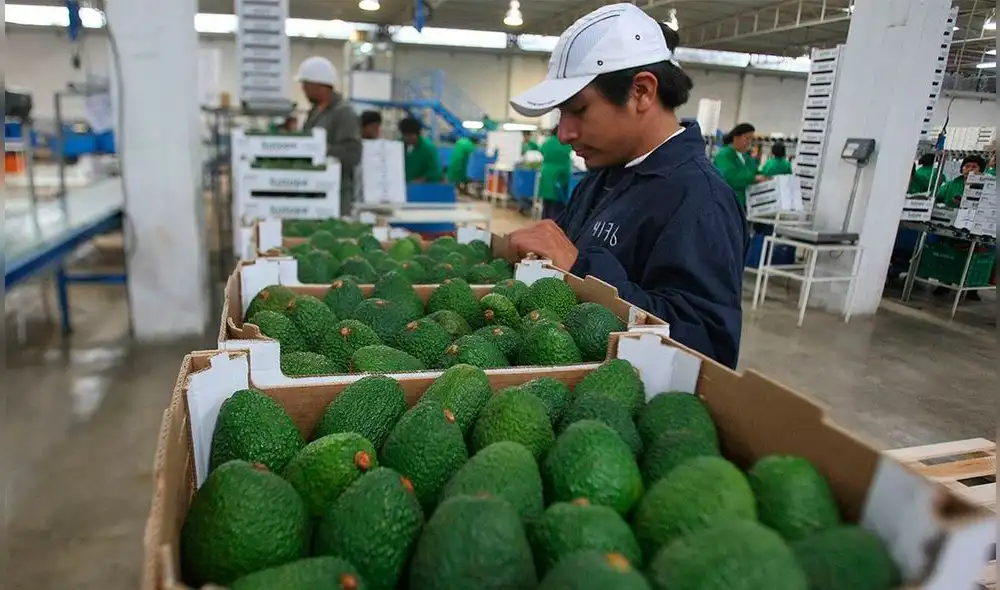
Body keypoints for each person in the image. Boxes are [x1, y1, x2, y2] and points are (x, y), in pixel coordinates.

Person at [506, 3, 747, 369]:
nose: (564, 133)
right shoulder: (600, 178)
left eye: (579, 110)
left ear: (642, 92)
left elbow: (707, 351)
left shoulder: (699, 200)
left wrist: (581, 266)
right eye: (561, 115)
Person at [296, 56, 362, 217]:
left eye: (306, 85)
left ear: (320, 86)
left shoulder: (343, 113)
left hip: (335, 198)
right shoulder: (315, 112)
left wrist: (322, 150)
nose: (303, 89)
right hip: (313, 193)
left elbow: (353, 154)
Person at [713, 123, 766, 206]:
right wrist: (753, 178)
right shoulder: (724, 155)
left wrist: (764, 177)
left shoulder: (746, 157)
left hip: (744, 204)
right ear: (736, 137)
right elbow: (730, 177)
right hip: (727, 204)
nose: (749, 142)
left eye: (751, 139)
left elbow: (754, 171)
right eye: (747, 138)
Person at [537, 125, 573, 220]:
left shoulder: (548, 142)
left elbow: (541, 150)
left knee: (546, 206)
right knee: (557, 209)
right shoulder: (564, 143)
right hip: (559, 177)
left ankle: (544, 226)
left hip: (546, 176)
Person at [399, 117, 442, 183]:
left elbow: (435, 170)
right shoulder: (400, 145)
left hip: (423, 188)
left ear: (417, 134)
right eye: (405, 135)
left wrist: (420, 180)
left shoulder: (428, 148)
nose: (407, 138)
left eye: (409, 135)